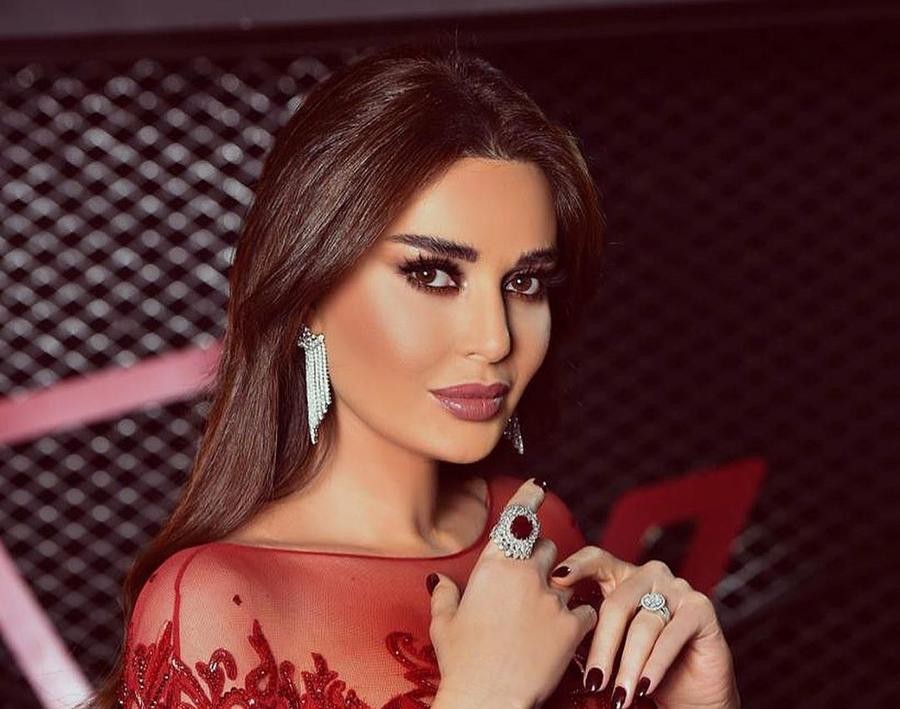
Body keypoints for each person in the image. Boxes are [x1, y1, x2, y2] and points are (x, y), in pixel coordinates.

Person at [83, 41, 740, 709]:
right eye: (432, 275)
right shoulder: (214, 602)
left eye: (524, 283)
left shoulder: (535, 534)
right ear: (311, 293)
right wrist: (487, 694)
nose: (495, 339)